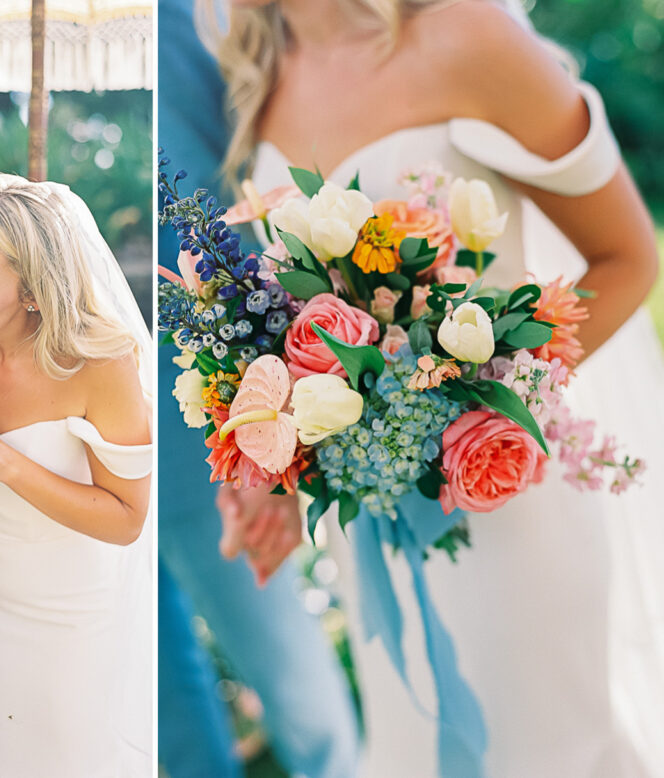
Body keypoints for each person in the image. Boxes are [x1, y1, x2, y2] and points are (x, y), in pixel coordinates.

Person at [197, 0, 664, 775]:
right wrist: (272, 463)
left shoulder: (468, 33)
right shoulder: (258, 73)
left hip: (511, 503)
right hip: (376, 528)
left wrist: (468, 412)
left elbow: (626, 257)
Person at [157, 0, 361, 774]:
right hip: (91, 403)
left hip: (210, 399)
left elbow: (235, 197)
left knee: (280, 655)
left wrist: (261, 416)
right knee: (153, 666)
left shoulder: (178, 22)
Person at [0, 174, 153, 777]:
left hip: (73, 607)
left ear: (34, 294)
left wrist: (7, 465)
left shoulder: (101, 362)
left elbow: (126, 520)